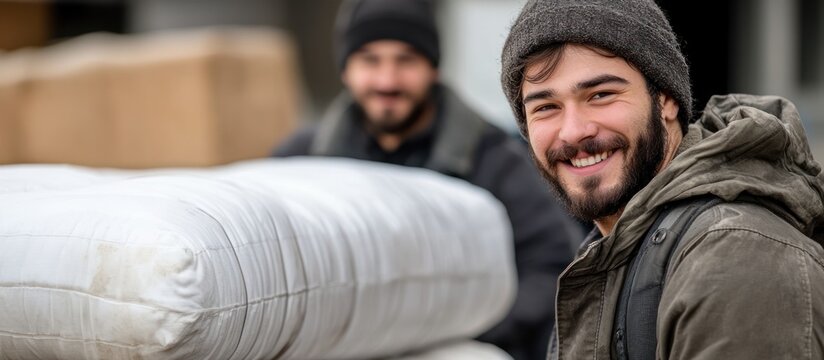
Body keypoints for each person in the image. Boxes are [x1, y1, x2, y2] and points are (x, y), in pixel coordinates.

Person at [500, 0, 824, 359]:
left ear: (666, 98)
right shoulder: (616, 249)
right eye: (546, 107)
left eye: (601, 95)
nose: (574, 132)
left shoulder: (736, 255)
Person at [272, 0, 583, 359]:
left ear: (433, 67)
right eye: (370, 61)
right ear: (345, 70)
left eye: (406, 60)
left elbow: (552, 265)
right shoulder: (302, 158)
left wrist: (477, 332)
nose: (387, 80)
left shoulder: (493, 158)